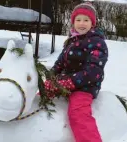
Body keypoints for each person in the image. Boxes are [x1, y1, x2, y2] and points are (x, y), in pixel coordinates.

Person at [43, 2, 108, 142]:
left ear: (93, 23)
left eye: (86, 20)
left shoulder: (97, 42)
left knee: (77, 113)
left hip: (85, 86)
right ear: (73, 22)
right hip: (64, 82)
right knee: (40, 96)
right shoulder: (72, 40)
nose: (81, 23)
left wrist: (69, 82)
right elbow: (60, 62)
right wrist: (51, 77)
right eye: (78, 20)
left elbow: (93, 71)